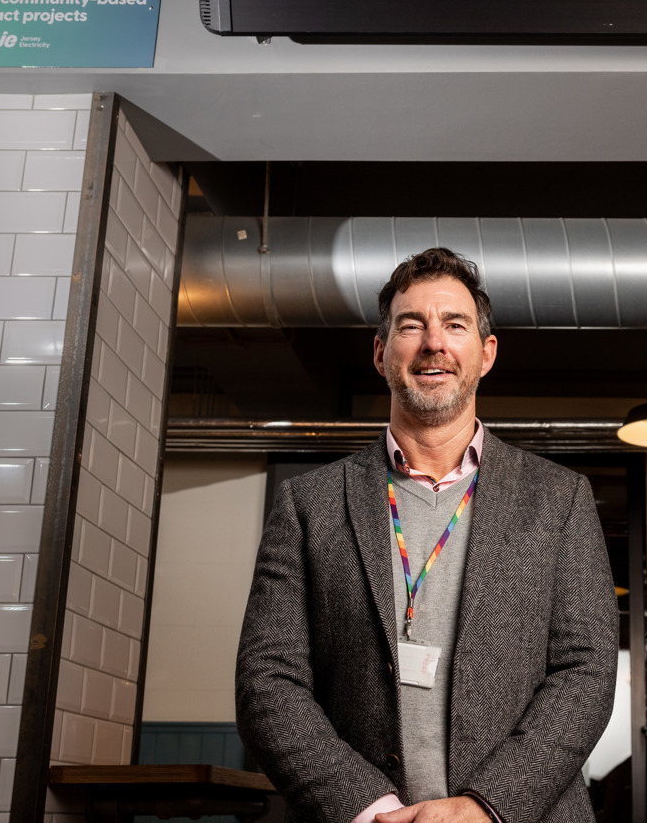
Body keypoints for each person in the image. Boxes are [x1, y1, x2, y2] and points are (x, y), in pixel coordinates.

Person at [236, 247, 619, 823]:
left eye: (455, 325)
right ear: (380, 352)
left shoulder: (559, 498)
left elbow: (586, 673)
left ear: (486, 354)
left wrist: (487, 806)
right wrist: (368, 807)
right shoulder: (309, 505)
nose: (433, 343)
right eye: (411, 325)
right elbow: (268, 681)